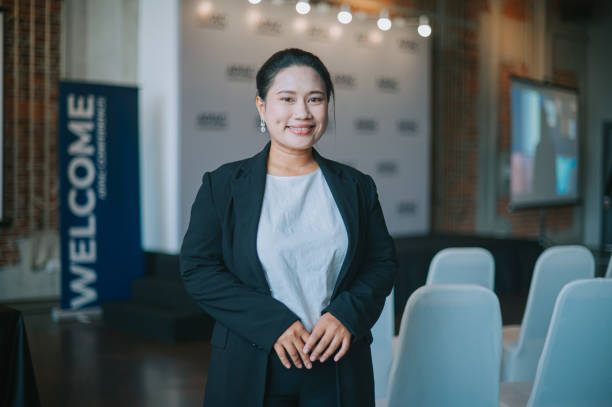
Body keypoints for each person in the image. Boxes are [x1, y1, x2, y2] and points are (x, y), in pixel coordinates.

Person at [180, 48, 398, 407]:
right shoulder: (223, 186)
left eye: (315, 99)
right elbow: (198, 269)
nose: (303, 113)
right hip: (253, 365)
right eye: (287, 99)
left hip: (338, 367)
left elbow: (382, 263)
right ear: (262, 107)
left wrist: (346, 315)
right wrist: (273, 324)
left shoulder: (356, 186)